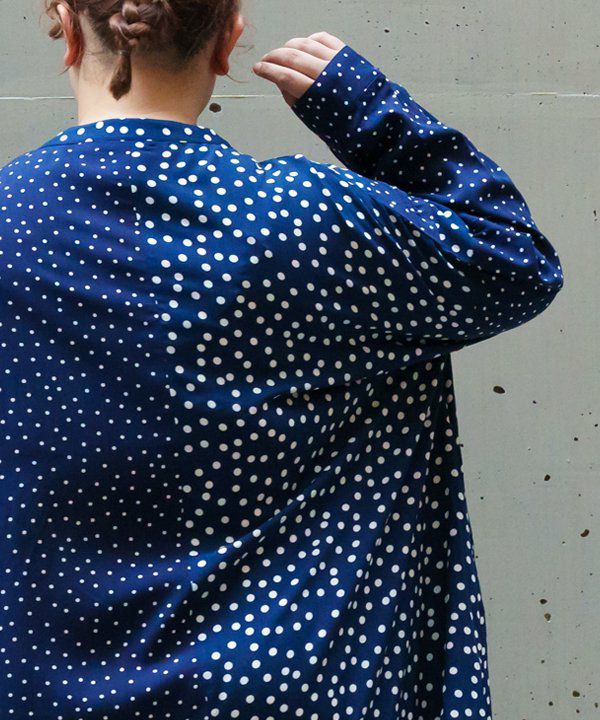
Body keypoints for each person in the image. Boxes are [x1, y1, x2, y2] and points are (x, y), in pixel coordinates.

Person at [0, 1, 564, 719]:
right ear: (228, 39)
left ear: (67, 30)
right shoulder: (306, 221)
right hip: (276, 694)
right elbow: (514, 259)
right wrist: (367, 109)